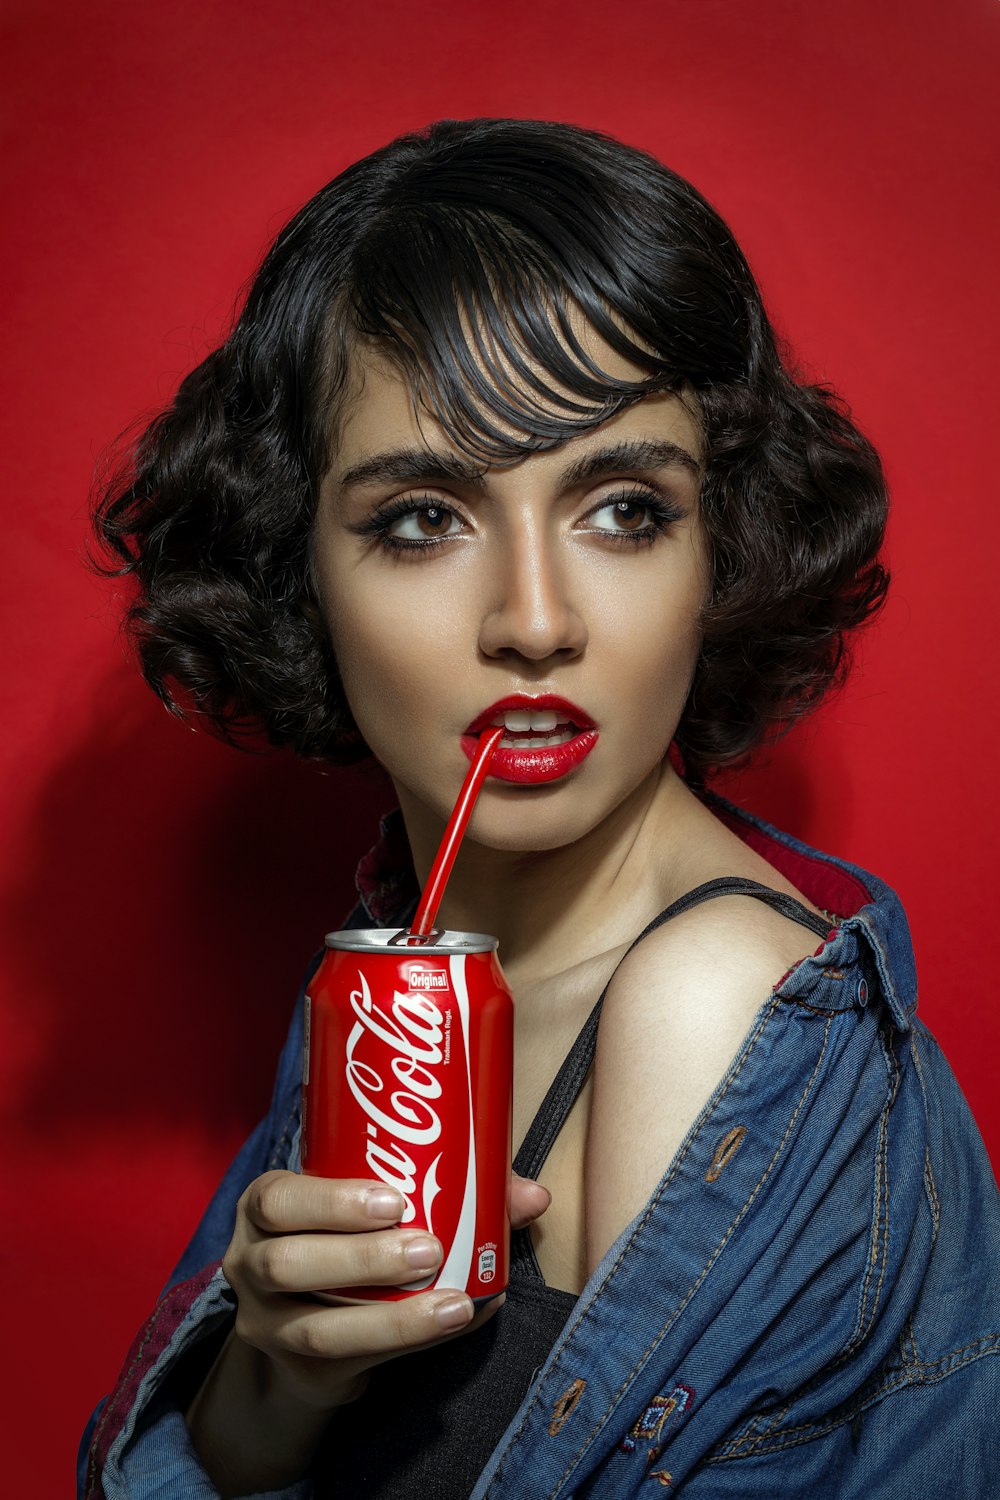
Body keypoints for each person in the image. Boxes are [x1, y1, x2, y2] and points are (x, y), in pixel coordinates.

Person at [79, 118, 1000, 1499]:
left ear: (722, 547)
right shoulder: (403, 956)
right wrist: (277, 1378)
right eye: (421, 520)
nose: (534, 620)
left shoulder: (713, 999)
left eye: (623, 509)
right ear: (300, 569)